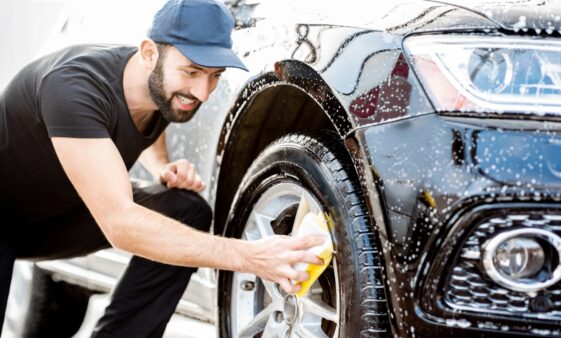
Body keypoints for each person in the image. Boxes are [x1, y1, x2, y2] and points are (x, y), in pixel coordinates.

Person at [0, 0, 325, 336]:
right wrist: (250, 256)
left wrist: (160, 167)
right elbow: (120, 224)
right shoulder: (72, 88)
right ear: (149, 54)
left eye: (215, 76)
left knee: (184, 209)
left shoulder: (154, 84)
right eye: (192, 72)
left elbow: (145, 121)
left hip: (57, 219)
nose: (203, 92)